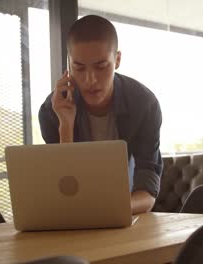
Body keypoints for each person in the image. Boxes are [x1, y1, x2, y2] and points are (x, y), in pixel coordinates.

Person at [38, 15, 163, 215]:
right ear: (69, 65)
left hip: (125, 212)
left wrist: (105, 211)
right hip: (75, 218)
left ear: (118, 60)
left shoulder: (144, 105)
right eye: (78, 67)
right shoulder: (51, 111)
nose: (90, 80)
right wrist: (65, 126)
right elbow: (63, 189)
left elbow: (147, 192)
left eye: (101, 66)